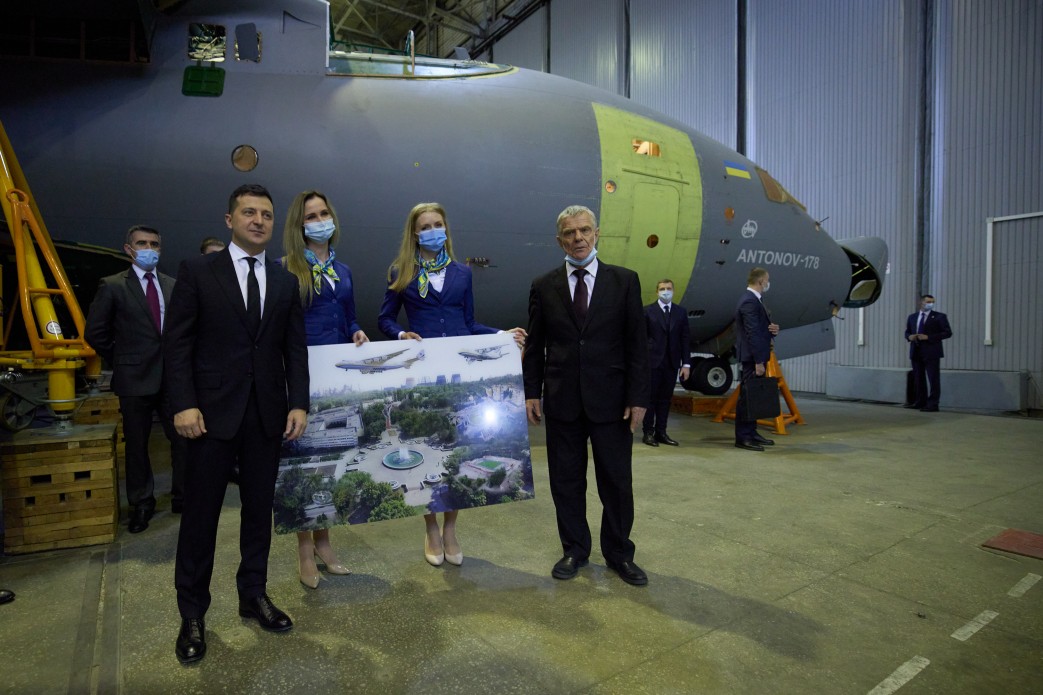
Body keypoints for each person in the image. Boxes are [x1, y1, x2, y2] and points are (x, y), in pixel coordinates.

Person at [165, 184, 309, 665]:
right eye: (249, 212)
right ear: (230, 220)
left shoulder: (285, 281)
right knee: (200, 518)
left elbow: (294, 349)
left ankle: (254, 594)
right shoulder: (198, 271)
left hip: (267, 415)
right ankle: (192, 614)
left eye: (266, 214)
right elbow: (177, 345)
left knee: (258, 512)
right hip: (209, 417)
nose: (259, 221)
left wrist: (299, 403)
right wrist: (184, 404)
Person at [378, 202, 525, 568]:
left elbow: (469, 323)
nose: (433, 230)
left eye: (438, 224)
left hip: (459, 368)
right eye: (425, 226)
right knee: (423, 442)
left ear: (445, 229)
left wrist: (501, 335)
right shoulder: (401, 271)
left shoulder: (462, 272)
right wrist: (400, 334)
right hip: (425, 370)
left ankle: (450, 530)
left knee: (459, 445)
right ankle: (431, 527)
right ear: (415, 233)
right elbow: (384, 318)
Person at [523, 204, 650, 586]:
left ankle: (619, 554)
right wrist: (532, 392)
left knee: (616, 482)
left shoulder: (624, 281)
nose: (577, 238)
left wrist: (638, 397)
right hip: (562, 400)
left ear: (597, 234)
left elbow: (637, 345)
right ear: (559, 240)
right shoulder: (544, 286)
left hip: (612, 401)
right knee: (566, 482)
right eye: (569, 233)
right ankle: (575, 550)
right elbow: (536, 346)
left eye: (584, 230)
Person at [281, 190, 368, 588]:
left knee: (330, 461)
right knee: (303, 463)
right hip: (302, 375)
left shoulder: (343, 270)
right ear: (299, 226)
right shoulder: (286, 268)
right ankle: (304, 548)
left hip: (335, 377)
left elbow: (349, 316)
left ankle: (325, 542)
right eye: (311, 216)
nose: (320, 221)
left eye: (324, 213)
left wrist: (357, 330)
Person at [85, 225, 186, 533]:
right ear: (129, 249)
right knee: (138, 446)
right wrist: (123, 357)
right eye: (142, 243)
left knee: (182, 439)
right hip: (134, 380)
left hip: (171, 378)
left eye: (154, 244)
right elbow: (95, 333)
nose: (149, 249)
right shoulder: (113, 285)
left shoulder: (172, 285)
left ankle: (183, 496)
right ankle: (142, 504)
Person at [734, 267, 780, 452]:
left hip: (756, 356)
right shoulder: (749, 301)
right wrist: (758, 362)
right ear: (761, 281)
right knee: (747, 398)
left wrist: (772, 329)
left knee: (754, 397)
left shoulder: (756, 300)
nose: (768, 283)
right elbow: (752, 333)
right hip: (752, 358)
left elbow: (759, 329)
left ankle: (751, 432)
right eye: (767, 280)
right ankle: (743, 437)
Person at [641, 279, 691, 447]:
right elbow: (641, 339)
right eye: (662, 289)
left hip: (671, 362)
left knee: (665, 399)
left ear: (673, 291)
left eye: (668, 288)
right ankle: (648, 432)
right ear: (657, 292)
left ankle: (661, 432)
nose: (666, 291)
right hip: (652, 362)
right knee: (650, 399)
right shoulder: (647, 311)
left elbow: (685, 339)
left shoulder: (680, 312)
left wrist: (686, 364)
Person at [904, 294, 952, 412]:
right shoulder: (912, 317)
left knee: (933, 378)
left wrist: (929, 337)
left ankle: (933, 404)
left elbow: (947, 333)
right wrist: (909, 337)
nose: (931, 304)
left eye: (932, 302)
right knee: (918, 378)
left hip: (932, 352)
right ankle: (920, 401)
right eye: (928, 302)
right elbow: (907, 331)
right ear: (921, 302)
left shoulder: (939, 317)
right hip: (916, 351)